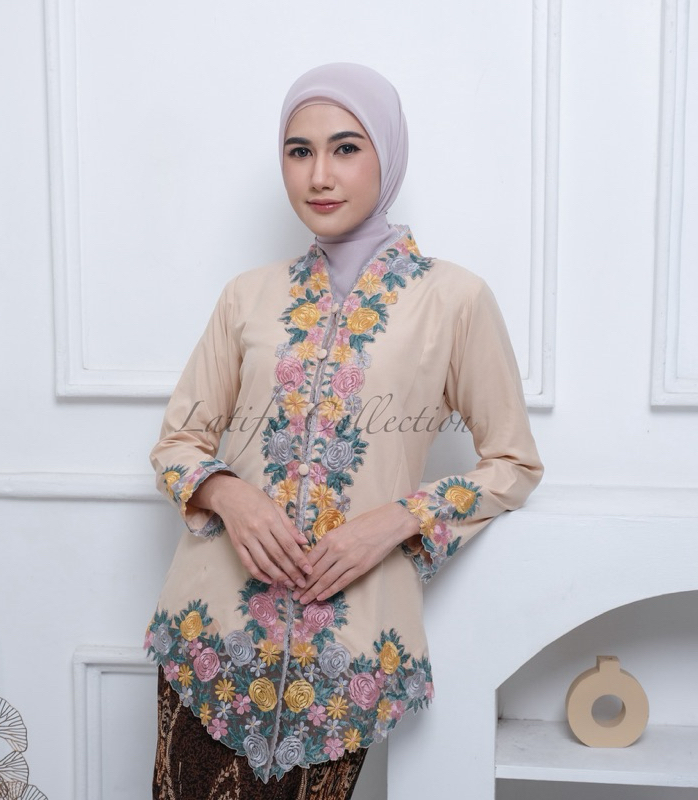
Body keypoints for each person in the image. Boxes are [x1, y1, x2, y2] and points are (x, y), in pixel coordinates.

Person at [146, 63, 543, 799]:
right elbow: (177, 445)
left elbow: (513, 463)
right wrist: (231, 495)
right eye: (299, 151)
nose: (319, 175)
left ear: (386, 154)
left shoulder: (454, 300)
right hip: (210, 640)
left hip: (344, 659)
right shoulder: (247, 297)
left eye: (346, 148)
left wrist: (396, 521)